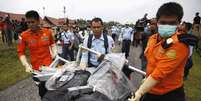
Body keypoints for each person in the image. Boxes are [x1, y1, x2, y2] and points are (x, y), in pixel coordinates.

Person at [129, 2, 188, 101]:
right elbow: (151, 61)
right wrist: (147, 79)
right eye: (163, 22)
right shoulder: (152, 38)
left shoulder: (179, 44)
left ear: (179, 23)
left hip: (169, 94)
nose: (167, 26)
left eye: (172, 23)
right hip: (151, 89)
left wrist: (140, 92)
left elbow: (159, 73)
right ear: (158, 22)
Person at [17, 10, 57, 99]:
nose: (30, 24)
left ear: (38, 21)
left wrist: (55, 53)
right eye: (28, 22)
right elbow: (20, 52)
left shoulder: (48, 32)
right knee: (42, 90)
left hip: (50, 66)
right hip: (36, 69)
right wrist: (26, 65)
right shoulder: (23, 36)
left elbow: (52, 44)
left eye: (32, 22)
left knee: (52, 88)